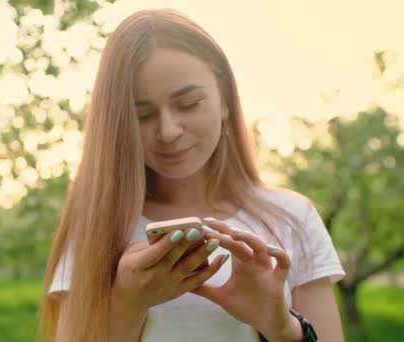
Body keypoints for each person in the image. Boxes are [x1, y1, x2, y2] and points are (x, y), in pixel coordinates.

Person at [38, 8, 345, 342]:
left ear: (226, 99)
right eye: (142, 115)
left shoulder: (292, 218)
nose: (168, 131)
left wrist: (280, 326)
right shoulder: (98, 224)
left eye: (188, 104)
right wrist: (128, 301)